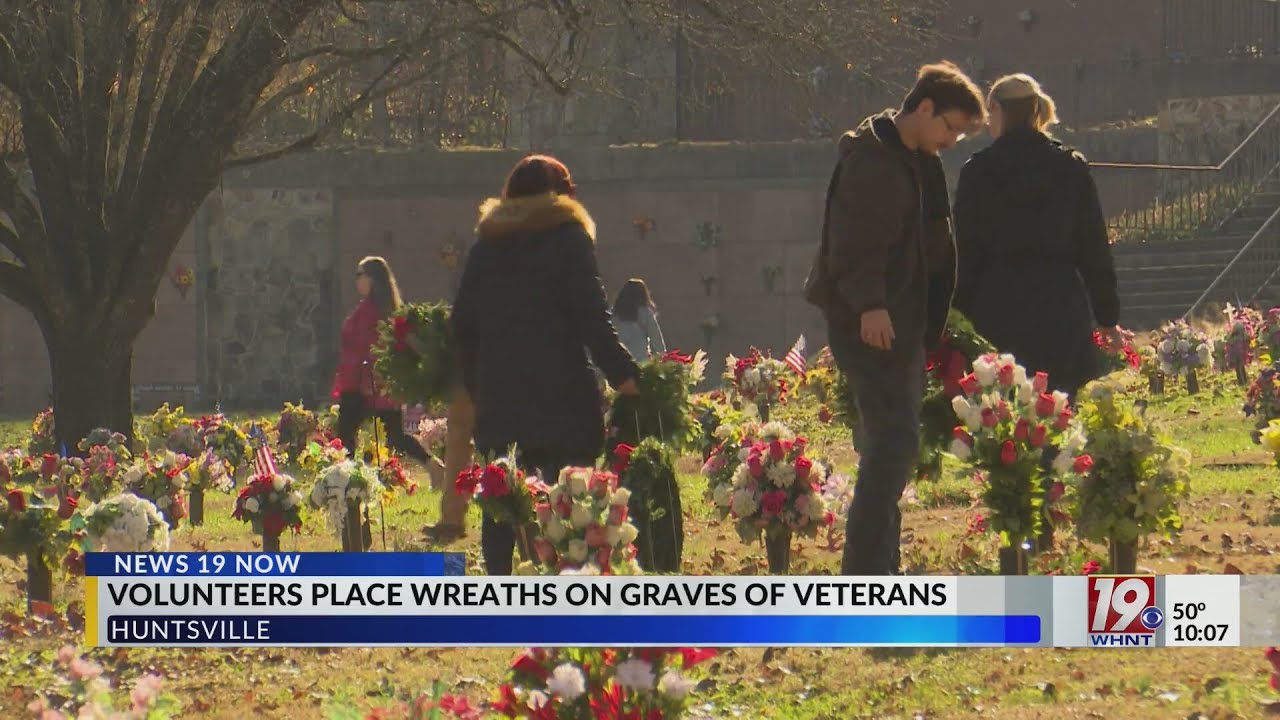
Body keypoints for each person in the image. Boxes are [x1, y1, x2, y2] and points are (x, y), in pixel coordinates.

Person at [803, 61, 986, 576]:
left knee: (895, 447)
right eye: (950, 126)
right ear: (923, 108)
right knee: (892, 446)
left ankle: (881, 563)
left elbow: (930, 243)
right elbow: (854, 242)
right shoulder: (874, 160)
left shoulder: (915, 158)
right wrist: (870, 305)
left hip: (901, 323)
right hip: (871, 323)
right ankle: (865, 574)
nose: (953, 140)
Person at [452, 154, 640, 575]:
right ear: (563, 194)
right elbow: (594, 319)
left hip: (501, 400)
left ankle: (502, 592)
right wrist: (626, 376)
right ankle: (565, 591)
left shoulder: (487, 246)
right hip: (563, 402)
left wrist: (480, 388)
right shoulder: (569, 239)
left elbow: (462, 326)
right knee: (566, 501)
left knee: (503, 496)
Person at [953, 73, 1120, 400]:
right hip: (1059, 306)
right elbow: (1093, 247)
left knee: (1002, 415)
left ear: (998, 109)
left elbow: (965, 252)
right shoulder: (1070, 167)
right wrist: (1107, 315)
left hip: (997, 307)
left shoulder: (978, 172)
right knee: (1058, 409)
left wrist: (956, 315)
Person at [332, 256, 434, 467]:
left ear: (373, 279)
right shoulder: (370, 309)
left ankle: (433, 465)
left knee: (383, 436)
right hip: (356, 382)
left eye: (360, 275)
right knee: (351, 435)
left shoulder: (380, 312)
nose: (356, 280)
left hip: (367, 384)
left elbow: (385, 346)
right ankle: (433, 465)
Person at [612, 278, 666, 360]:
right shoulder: (645, 313)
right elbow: (656, 340)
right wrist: (662, 358)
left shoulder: (614, 313)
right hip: (640, 359)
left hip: (617, 359)